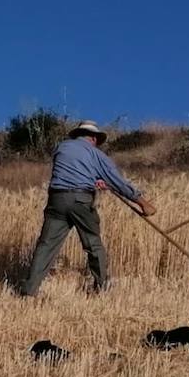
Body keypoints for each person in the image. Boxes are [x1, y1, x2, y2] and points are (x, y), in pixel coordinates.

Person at [18, 120, 156, 297]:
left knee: (46, 246)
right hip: (80, 201)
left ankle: (29, 291)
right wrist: (142, 202)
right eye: (97, 139)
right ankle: (103, 287)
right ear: (93, 138)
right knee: (93, 244)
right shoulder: (94, 153)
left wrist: (92, 180)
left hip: (56, 200)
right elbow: (116, 180)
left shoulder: (62, 147)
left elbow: (71, 171)